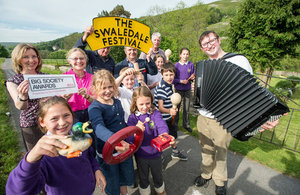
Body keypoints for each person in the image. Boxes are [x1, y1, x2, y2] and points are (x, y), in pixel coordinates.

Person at [194, 30, 284, 195]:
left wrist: (263, 116)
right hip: (203, 117)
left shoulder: (239, 60)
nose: (209, 45)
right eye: (205, 44)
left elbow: (251, 90)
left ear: (219, 40)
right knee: (205, 148)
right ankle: (206, 174)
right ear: (202, 48)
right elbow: (201, 92)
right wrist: (196, 90)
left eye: (212, 40)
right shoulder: (202, 66)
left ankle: (220, 182)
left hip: (224, 118)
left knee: (220, 152)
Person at [5, 96, 106, 195]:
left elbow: (89, 155)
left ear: (72, 115)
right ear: (42, 122)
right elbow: (17, 191)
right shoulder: (45, 154)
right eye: (54, 118)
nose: (62, 123)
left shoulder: (79, 136)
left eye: (66, 115)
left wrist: (96, 169)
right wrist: (31, 158)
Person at [88, 69, 135, 195]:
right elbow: (98, 128)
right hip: (107, 152)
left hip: (123, 149)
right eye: (103, 88)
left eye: (110, 87)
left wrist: (132, 132)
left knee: (124, 178)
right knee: (111, 182)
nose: (108, 91)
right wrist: (117, 141)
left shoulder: (117, 102)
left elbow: (122, 124)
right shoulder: (95, 107)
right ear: (94, 88)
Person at [127, 86, 175, 195]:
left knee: (158, 175)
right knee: (143, 176)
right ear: (135, 104)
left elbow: (161, 124)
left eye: (148, 103)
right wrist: (135, 131)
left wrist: (164, 134)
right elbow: (129, 138)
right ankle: (145, 192)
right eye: (141, 104)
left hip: (155, 153)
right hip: (141, 154)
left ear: (151, 101)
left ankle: (160, 190)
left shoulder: (155, 113)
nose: (145, 107)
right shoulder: (133, 118)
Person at [5, 43, 46, 151]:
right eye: (26, 57)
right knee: (37, 156)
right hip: (32, 125)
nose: (31, 60)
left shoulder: (46, 77)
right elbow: (20, 106)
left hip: (51, 122)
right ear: (18, 59)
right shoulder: (13, 81)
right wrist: (23, 96)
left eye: (34, 56)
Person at [154, 62, 188, 161]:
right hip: (162, 120)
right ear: (162, 75)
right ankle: (159, 155)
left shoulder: (169, 85)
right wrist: (170, 111)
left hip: (169, 117)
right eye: (166, 75)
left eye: (171, 74)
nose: (169, 77)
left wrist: (173, 108)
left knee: (172, 136)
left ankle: (175, 152)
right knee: (162, 138)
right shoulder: (161, 88)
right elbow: (160, 108)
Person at [62, 48, 95, 123]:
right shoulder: (63, 78)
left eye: (81, 58)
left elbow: (98, 100)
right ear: (69, 61)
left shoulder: (93, 78)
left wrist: (87, 96)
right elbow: (57, 102)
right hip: (72, 115)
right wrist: (65, 98)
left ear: (86, 60)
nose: (79, 61)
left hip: (91, 113)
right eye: (75, 59)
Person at [173, 47, 195, 133]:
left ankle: (186, 125)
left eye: (187, 54)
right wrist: (180, 81)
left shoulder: (191, 65)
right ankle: (174, 124)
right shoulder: (176, 66)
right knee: (177, 108)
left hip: (187, 89)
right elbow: (173, 79)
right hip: (178, 89)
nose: (185, 56)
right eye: (184, 54)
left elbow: (193, 76)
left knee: (186, 108)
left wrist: (193, 77)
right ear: (180, 55)